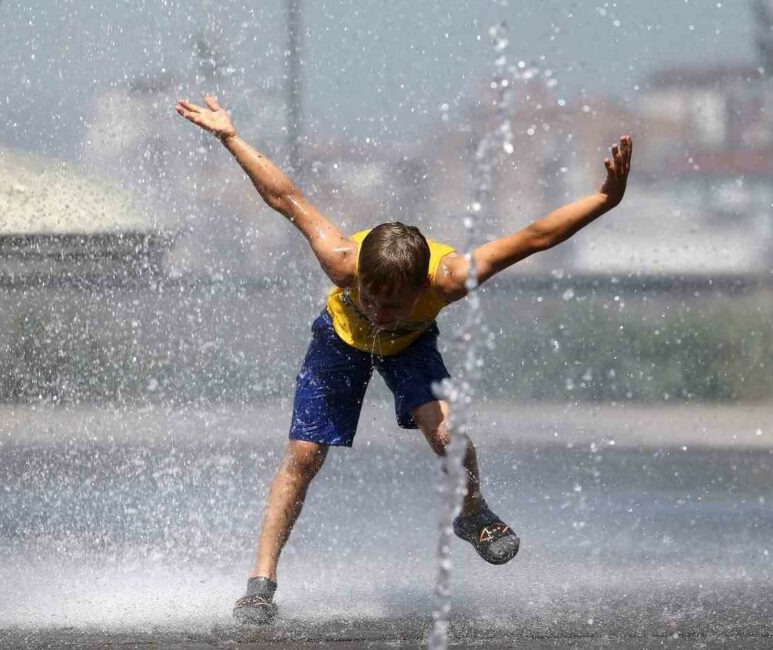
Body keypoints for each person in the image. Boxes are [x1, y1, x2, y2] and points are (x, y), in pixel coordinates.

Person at [175, 96, 632, 624]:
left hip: (412, 346)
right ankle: (260, 584)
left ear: (422, 287)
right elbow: (285, 197)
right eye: (371, 298)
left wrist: (605, 199)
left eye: (394, 304)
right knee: (304, 454)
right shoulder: (342, 261)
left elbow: (535, 237)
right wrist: (231, 137)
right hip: (339, 340)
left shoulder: (451, 278)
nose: (380, 312)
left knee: (448, 434)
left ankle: (472, 513)